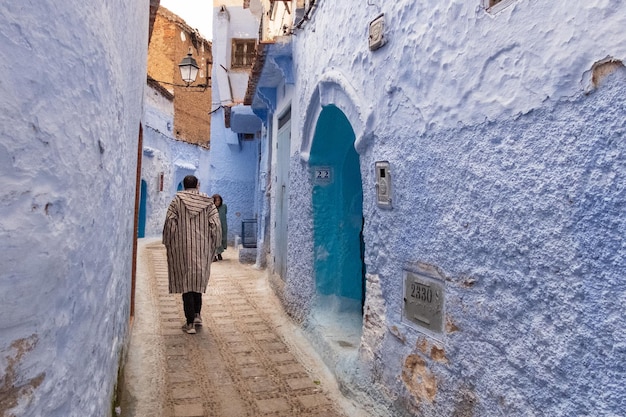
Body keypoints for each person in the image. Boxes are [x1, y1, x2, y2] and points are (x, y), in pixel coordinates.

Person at [163, 175, 222, 334]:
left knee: (186, 283)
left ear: (183, 185)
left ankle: (189, 323)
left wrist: (168, 242)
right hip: (202, 249)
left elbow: (170, 223)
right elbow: (215, 225)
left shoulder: (177, 201)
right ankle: (197, 315)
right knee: (197, 280)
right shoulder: (208, 202)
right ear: (197, 185)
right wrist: (216, 244)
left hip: (183, 248)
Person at [212, 194, 228, 261]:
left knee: (221, 240)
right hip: (215, 227)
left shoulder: (224, 206)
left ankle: (219, 254)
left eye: (219, 200)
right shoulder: (211, 208)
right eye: (216, 201)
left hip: (223, 226)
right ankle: (214, 255)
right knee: (215, 240)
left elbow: (225, 213)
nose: (217, 202)